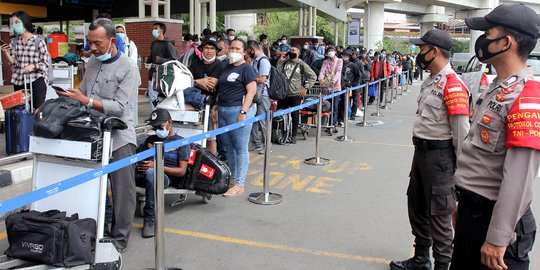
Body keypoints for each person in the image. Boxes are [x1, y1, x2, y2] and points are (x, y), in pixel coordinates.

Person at [451, 4, 540, 270]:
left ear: (506, 42)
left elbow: (520, 176)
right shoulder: (497, 88)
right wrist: (463, 204)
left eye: (488, 33)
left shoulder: (525, 96)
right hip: (472, 213)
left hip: (496, 224)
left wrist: (498, 238)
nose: (482, 40)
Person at [56, 18, 140, 252]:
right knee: (95, 188)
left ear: (113, 41)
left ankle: (119, 241)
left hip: (119, 137)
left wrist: (88, 101)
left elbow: (121, 106)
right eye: (89, 43)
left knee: (123, 192)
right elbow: (84, 91)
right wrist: (70, 95)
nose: (92, 48)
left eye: (97, 43)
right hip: (91, 134)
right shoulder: (92, 62)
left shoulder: (129, 67)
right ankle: (98, 231)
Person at [389, 29, 471, 270]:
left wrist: (461, 176)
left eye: (422, 50)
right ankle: (421, 258)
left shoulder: (453, 84)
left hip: (440, 158)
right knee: (417, 206)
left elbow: (461, 133)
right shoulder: (431, 81)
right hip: (422, 154)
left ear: (434, 51)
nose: (418, 54)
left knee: (439, 214)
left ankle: (442, 265)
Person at [136, 108, 190, 238]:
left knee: (151, 173)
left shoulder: (181, 142)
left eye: (160, 126)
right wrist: (138, 164)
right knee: (119, 173)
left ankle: (150, 219)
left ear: (169, 123)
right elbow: (138, 156)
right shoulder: (150, 139)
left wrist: (157, 166)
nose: (157, 130)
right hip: (142, 173)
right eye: (155, 127)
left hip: (164, 177)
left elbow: (181, 171)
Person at [214, 38, 257, 197]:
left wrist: (243, 112)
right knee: (229, 148)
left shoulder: (247, 69)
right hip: (223, 110)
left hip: (238, 111)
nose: (234, 51)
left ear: (245, 52)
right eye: (232, 48)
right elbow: (221, 89)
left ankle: (240, 183)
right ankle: (232, 180)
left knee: (240, 148)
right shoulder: (226, 67)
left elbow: (251, 92)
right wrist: (216, 106)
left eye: (238, 49)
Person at [1, 10, 51, 110]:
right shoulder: (14, 42)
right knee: (21, 111)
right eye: (13, 23)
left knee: (37, 111)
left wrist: (33, 66)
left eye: (17, 22)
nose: (15, 25)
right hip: (19, 81)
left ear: (25, 22)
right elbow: (13, 63)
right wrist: (5, 52)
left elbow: (46, 64)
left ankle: (36, 126)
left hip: (36, 80)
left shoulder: (39, 42)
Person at [186, 35, 224, 155]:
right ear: (202, 49)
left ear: (216, 51)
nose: (209, 51)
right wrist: (198, 81)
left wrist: (196, 82)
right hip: (193, 106)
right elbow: (186, 82)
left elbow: (211, 85)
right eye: (206, 48)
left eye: (212, 48)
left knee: (210, 139)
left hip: (211, 106)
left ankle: (213, 166)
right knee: (193, 138)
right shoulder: (194, 65)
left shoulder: (220, 66)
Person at [277, 45, 317, 144]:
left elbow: (313, 76)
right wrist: (280, 61)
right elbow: (277, 73)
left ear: (298, 53)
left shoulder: (302, 65)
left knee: (295, 116)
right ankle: (282, 135)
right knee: (280, 115)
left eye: (293, 50)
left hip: (295, 94)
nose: (291, 51)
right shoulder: (285, 62)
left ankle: (293, 135)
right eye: (290, 50)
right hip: (283, 94)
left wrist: (306, 87)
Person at [145, 22, 177, 110]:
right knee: (152, 97)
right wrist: (148, 62)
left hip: (163, 75)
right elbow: (152, 57)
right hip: (152, 74)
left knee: (162, 97)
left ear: (162, 30)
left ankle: (162, 116)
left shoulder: (168, 44)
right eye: (153, 28)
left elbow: (174, 60)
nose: (154, 30)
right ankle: (154, 115)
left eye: (156, 28)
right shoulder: (154, 43)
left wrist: (162, 60)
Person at [247, 40, 271, 154]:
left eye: (248, 51)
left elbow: (262, 79)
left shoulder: (263, 61)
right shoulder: (255, 61)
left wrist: (250, 77)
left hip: (263, 95)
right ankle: (256, 144)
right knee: (253, 121)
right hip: (256, 94)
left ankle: (267, 146)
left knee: (262, 122)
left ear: (253, 50)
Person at [318, 46, 343, 126]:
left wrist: (334, 80)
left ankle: (333, 124)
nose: (330, 52)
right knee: (327, 106)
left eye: (332, 50)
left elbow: (338, 72)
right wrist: (320, 79)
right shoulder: (326, 61)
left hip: (336, 87)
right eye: (329, 51)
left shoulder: (339, 61)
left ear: (335, 52)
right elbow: (322, 71)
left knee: (335, 107)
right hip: (326, 87)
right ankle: (326, 122)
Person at [340, 50, 361, 122]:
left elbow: (358, 75)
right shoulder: (340, 64)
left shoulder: (353, 65)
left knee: (354, 100)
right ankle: (343, 116)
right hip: (343, 86)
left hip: (352, 86)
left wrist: (354, 84)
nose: (345, 57)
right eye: (344, 55)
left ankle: (353, 114)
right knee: (344, 101)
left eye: (346, 56)